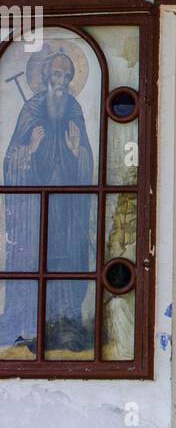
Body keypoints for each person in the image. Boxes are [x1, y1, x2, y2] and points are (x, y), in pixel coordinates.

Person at [1, 49, 95, 352]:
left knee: (65, 257)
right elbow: (10, 161)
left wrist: (77, 150)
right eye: (57, 74)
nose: (63, 82)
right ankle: (28, 323)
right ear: (45, 76)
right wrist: (30, 148)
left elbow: (86, 162)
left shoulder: (74, 110)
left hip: (66, 207)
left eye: (67, 76)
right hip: (34, 209)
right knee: (35, 256)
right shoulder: (31, 109)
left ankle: (65, 324)